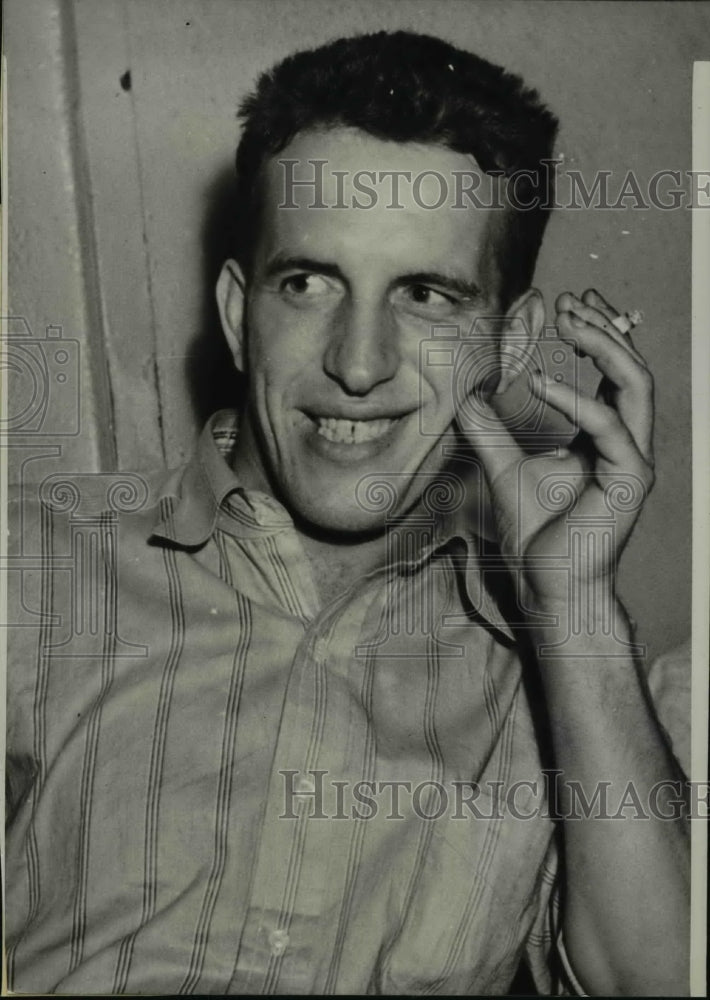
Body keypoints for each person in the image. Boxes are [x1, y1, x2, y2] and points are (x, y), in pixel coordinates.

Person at [5, 30, 690, 996]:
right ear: (242, 315)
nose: (358, 365)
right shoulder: (27, 569)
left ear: (508, 340)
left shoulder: (555, 676)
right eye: (309, 282)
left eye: (426, 295)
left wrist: (574, 614)